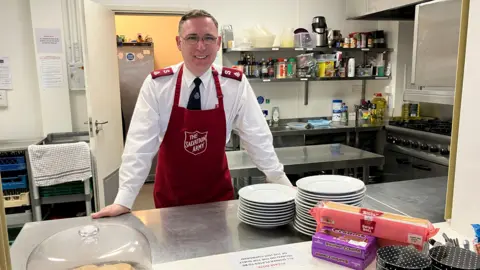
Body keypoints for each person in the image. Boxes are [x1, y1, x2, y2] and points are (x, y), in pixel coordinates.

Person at [92, 9, 292, 218]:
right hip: (171, 198)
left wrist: (280, 180)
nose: (201, 46)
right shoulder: (157, 85)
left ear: (218, 42)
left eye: (208, 38)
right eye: (192, 38)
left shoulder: (235, 84)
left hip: (217, 197)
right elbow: (139, 145)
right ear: (179, 42)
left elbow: (256, 136)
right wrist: (124, 199)